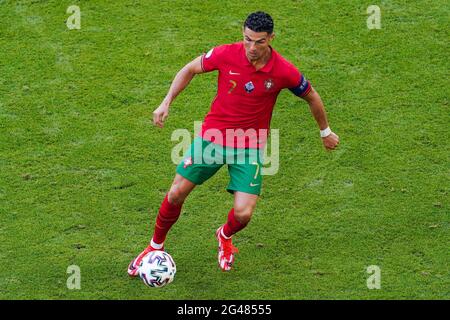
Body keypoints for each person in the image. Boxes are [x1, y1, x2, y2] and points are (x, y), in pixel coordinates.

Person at [128, 11, 339, 275]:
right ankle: (154, 246)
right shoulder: (226, 54)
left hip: (249, 146)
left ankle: (224, 236)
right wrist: (166, 101)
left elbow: (312, 96)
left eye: (259, 42)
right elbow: (190, 69)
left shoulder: (284, 71)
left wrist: (325, 132)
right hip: (213, 137)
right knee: (176, 192)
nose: (251, 47)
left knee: (243, 214)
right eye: (247, 39)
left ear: (271, 38)